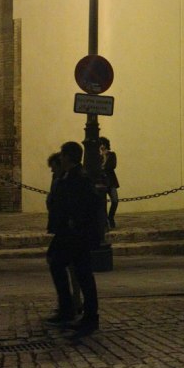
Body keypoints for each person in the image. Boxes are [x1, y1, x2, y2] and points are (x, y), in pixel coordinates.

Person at [46, 141, 100, 336]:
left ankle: (86, 315)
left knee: (82, 273)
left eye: (62, 154)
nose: (60, 157)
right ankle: (70, 309)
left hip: (75, 234)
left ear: (68, 156)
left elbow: (86, 204)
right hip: (67, 232)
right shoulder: (70, 175)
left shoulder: (79, 177)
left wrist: (75, 222)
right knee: (61, 264)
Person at [46, 153, 82, 317]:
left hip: (67, 230)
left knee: (60, 263)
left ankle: (70, 305)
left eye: (54, 167)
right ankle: (71, 303)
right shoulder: (60, 179)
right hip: (62, 228)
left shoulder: (69, 180)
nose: (52, 171)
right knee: (62, 263)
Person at [99, 137, 120, 229]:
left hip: (111, 181)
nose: (102, 146)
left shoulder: (111, 154)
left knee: (115, 200)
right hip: (101, 182)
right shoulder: (96, 156)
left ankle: (110, 217)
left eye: (103, 144)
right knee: (103, 203)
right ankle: (106, 221)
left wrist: (104, 160)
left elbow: (113, 165)